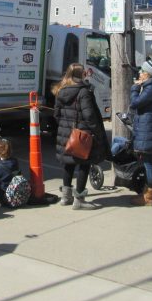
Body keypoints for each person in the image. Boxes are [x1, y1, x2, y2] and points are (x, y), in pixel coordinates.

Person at [53, 62, 108, 209]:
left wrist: (65, 126)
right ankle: (80, 200)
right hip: (82, 133)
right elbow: (89, 115)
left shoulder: (61, 90)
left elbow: (56, 114)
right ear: (80, 74)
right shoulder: (83, 91)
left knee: (68, 164)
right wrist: (97, 132)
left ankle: (65, 197)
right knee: (84, 163)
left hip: (65, 133)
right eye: (83, 72)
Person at [128, 56, 152, 206]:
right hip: (147, 125)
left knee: (148, 162)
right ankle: (147, 192)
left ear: (149, 74)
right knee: (147, 161)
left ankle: (148, 196)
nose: (140, 73)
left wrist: (135, 88)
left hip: (148, 126)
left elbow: (135, 103)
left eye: (143, 71)